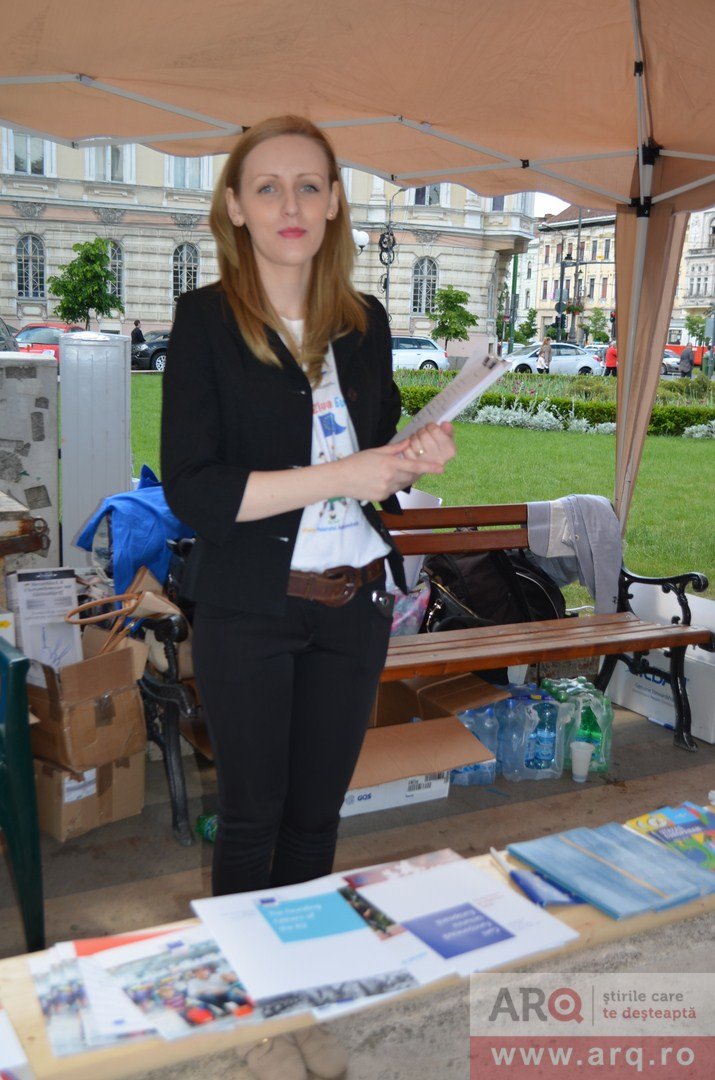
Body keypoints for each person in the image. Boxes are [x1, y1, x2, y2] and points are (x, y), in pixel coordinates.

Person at [161, 115, 455, 1080]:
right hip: (250, 605)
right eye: (268, 187)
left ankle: (300, 981)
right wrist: (345, 474)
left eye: (310, 185)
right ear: (235, 209)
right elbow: (195, 491)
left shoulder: (362, 322)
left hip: (354, 603)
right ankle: (242, 1013)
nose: (290, 203)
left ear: (333, 205)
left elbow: (376, 455)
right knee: (253, 815)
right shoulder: (205, 319)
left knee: (317, 815)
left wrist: (415, 455)